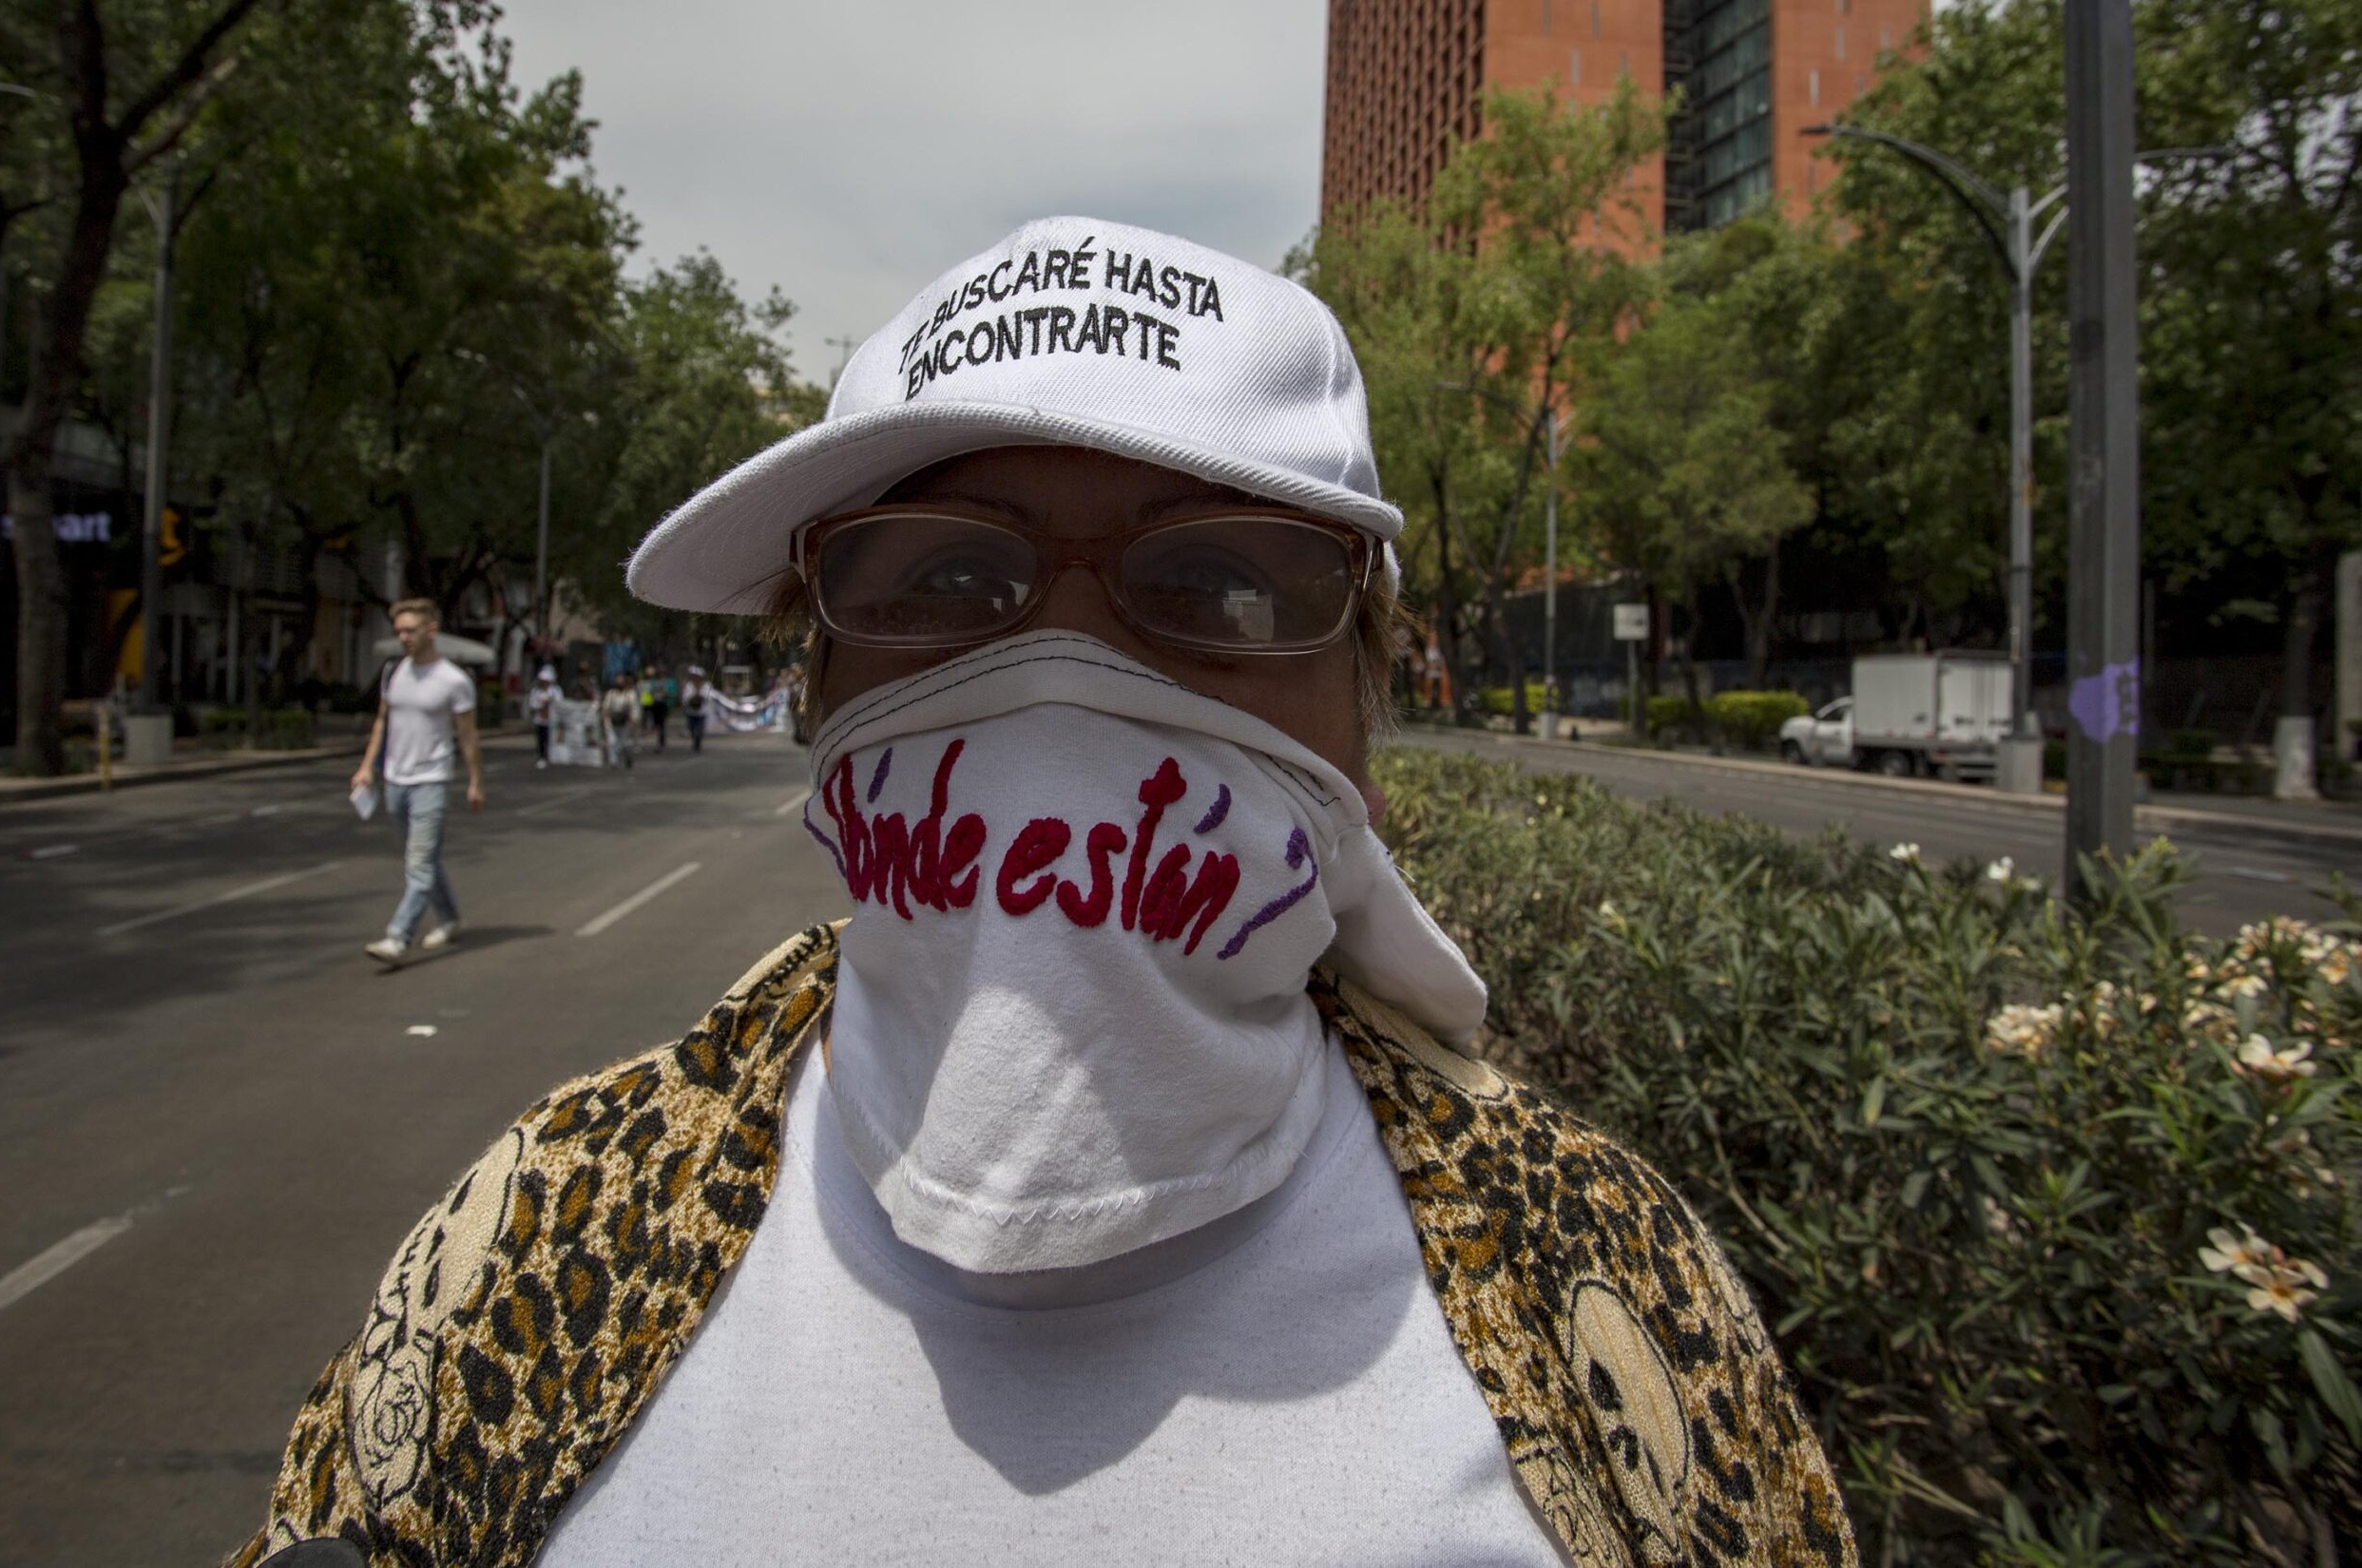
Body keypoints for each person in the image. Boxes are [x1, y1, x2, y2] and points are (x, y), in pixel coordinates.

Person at [237, 218, 1850, 1567]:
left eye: (1218, 579)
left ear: (1363, 724)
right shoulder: (540, 1237)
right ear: (817, 688)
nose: (1059, 673)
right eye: (946, 579)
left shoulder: (1609, 1283)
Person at [351, 599, 483, 966]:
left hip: (431, 780)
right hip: (396, 780)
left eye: (410, 630)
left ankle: (398, 937)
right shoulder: (393, 672)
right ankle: (451, 918)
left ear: (431, 630)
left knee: (419, 863)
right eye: (399, 632)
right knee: (424, 859)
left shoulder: (454, 681)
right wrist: (367, 767)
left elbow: (468, 736)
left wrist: (475, 781)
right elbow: (382, 722)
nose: (404, 638)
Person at [603, 670, 640, 771]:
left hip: (625, 723)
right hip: (612, 722)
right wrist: (606, 717)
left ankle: (628, 757)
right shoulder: (611, 694)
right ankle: (613, 762)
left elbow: (634, 708)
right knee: (611, 742)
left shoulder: (630, 694)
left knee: (624, 743)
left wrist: (634, 719)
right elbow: (605, 707)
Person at [528, 663, 561, 770]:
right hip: (540, 720)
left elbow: (560, 703)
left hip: (552, 719)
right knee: (541, 739)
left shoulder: (555, 691)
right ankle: (542, 757)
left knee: (551, 739)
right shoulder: (536, 691)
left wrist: (551, 701)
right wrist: (541, 704)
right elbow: (532, 704)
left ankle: (552, 757)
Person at [680, 663, 710, 752]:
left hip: (701, 712)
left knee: (699, 730)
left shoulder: (706, 685)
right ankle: (694, 739)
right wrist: (693, 697)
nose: (696, 679)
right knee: (691, 728)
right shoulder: (689, 686)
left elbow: (709, 697)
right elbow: (685, 698)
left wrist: (700, 696)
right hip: (691, 712)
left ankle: (698, 742)